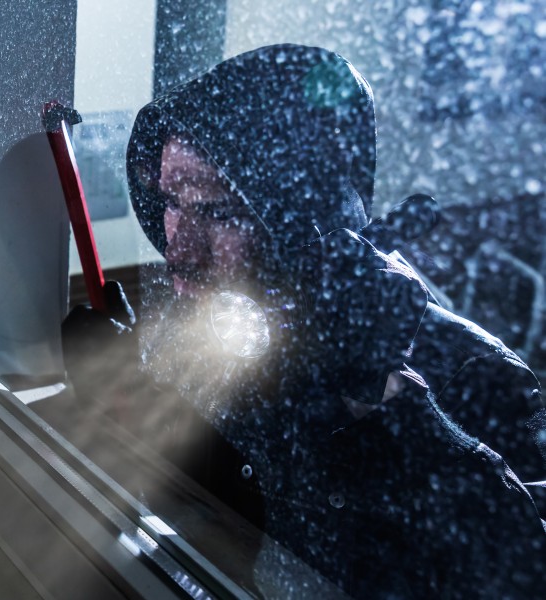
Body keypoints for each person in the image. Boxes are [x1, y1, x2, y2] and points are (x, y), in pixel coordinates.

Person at [64, 44, 546, 598]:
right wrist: (120, 391)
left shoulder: (477, 375)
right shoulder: (214, 330)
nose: (181, 247)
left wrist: (387, 403)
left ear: (309, 220)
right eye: (172, 202)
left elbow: (524, 573)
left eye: (218, 211)